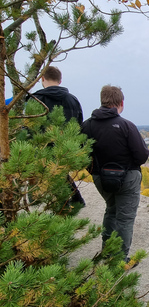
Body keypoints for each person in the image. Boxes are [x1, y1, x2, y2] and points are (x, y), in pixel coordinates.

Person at [81, 85, 149, 261]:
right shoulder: (126, 126)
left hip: (100, 178)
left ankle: (107, 251)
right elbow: (141, 156)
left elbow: (80, 154)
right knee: (125, 219)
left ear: (102, 101)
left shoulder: (87, 126)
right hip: (127, 178)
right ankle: (119, 261)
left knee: (111, 211)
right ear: (121, 103)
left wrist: (94, 171)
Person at [30, 66, 85, 206]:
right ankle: (75, 200)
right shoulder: (73, 100)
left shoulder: (36, 99)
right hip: (67, 148)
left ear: (42, 79)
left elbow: (29, 128)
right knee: (60, 173)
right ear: (60, 80)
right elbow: (79, 126)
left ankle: (65, 206)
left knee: (54, 177)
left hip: (43, 148)